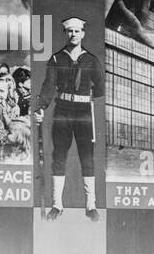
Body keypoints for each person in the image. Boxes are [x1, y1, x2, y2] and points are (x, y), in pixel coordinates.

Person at [33, 17, 105, 220]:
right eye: (69, 31)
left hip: (83, 112)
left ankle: (91, 206)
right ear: (65, 34)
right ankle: (57, 206)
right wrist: (41, 108)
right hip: (62, 110)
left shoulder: (91, 60)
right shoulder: (57, 59)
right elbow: (48, 87)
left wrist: (87, 93)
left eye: (77, 31)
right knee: (59, 156)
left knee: (87, 157)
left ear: (83, 34)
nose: (73, 35)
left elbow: (100, 87)